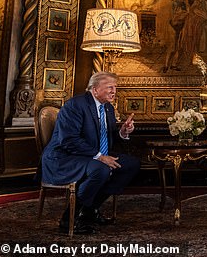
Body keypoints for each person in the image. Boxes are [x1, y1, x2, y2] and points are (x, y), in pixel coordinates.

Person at [40, 72, 141, 234]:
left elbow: (109, 137)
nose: (114, 91)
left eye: (115, 87)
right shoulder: (75, 105)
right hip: (63, 157)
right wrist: (100, 157)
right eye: (109, 87)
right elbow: (69, 141)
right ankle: (68, 220)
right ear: (95, 90)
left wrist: (123, 131)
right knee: (100, 169)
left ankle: (89, 210)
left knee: (130, 164)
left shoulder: (107, 107)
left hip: (89, 155)